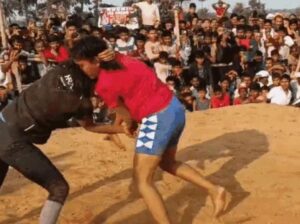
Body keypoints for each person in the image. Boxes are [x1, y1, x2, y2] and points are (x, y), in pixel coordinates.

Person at [71, 36, 229, 224]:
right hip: (175, 109)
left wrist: (125, 127)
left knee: (142, 181)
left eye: (82, 65)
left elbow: (125, 115)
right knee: (167, 163)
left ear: (96, 60)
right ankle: (214, 190)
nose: (82, 70)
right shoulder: (124, 58)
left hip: (155, 119)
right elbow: (124, 105)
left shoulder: (103, 85)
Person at [0, 50, 122, 224]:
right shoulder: (81, 102)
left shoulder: (64, 68)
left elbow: (77, 51)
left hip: (2, 122)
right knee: (59, 188)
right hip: (13, 140)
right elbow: (90, 126)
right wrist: (118, 129)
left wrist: (103, 54)